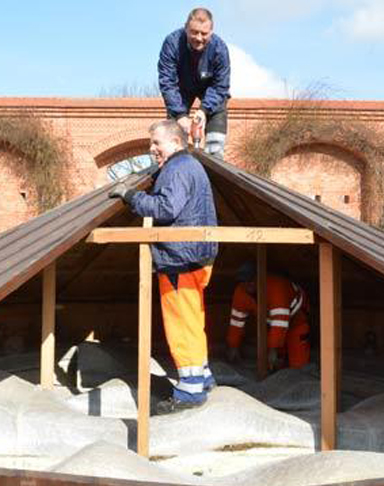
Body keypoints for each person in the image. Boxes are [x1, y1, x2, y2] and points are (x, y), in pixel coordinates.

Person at [109, 119, 218, 414]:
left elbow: (166, 208)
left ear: (176, 142)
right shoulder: (190, 167)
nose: (152, 149)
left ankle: (190, 393)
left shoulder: (178, 168)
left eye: (157, 143)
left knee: (181, 326)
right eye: (151, 143)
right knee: (193, 320)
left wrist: (131, 196)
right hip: (196, 256)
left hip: (180, 258)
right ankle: (203, 377)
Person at [158, 7, 230, 158]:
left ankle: (215, 158)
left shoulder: (220, 49)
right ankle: (173, 159)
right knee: (173, 133)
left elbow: (220, 86)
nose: (199, 38)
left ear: (211, 32)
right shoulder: (172, 43)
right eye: (194, 32)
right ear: (186, 28)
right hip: (181, 89)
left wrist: (204, 110)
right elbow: (167, 82)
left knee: (218, 109)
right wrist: (180, 115)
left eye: (204, 33)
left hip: (210, 89)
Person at [226, 262, 311, 370]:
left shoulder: (277, 288)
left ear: (259, 278)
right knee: (274, 365)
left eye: (251, 280)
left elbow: (280, 322)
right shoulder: (240, 292)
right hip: (272, 326)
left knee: (299, 366)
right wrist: (233, 345)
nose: (248, 284)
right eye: (244, 281)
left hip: (297, 323)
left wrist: (273, 349)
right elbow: (236, 322)